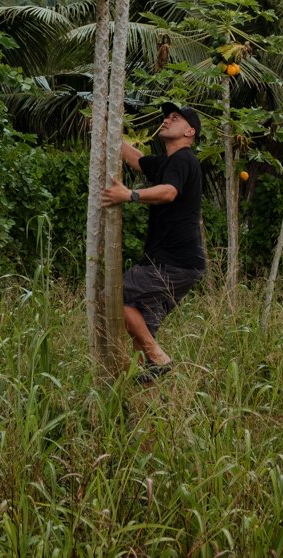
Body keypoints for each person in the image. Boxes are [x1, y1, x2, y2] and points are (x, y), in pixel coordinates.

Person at [101, 102, 204, 381]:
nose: (167, 121)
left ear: (190, 131)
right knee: (141, 323)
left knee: (114, 297)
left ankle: (159, 357)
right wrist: (105, 125)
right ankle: (146, 397)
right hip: (178, 262)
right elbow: (134, 158)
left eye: (175, 118)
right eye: (166, 117)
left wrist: (130, 195)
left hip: (173, 261)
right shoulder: (166, 163)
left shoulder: (184, 159)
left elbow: (169, 192)